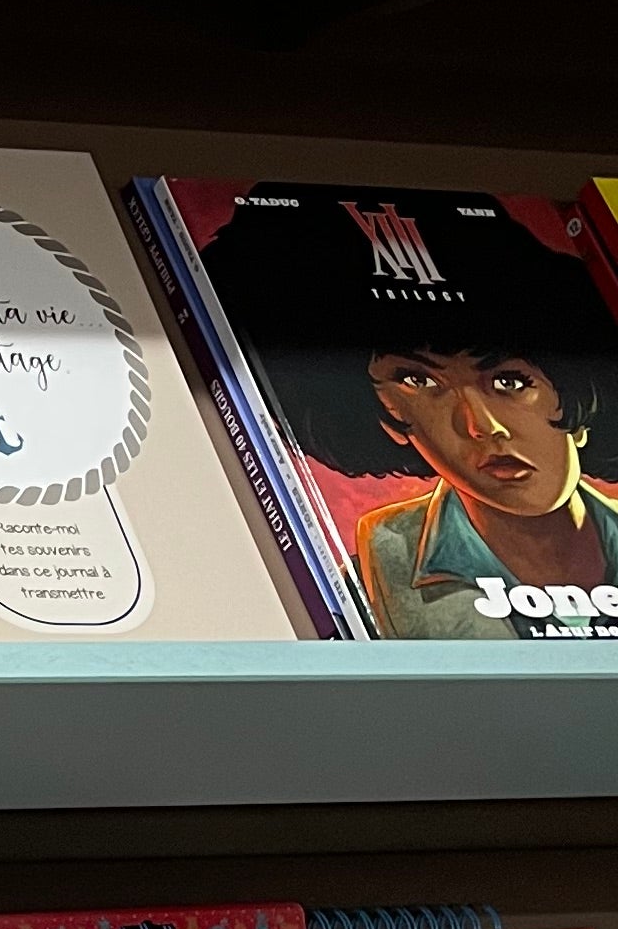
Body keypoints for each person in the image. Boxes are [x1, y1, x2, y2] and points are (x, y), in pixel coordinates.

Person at [193, 191, 618, 639]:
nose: (481, 426)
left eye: (510, 382)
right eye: (419, 381)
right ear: (386, 414)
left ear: (573, 389)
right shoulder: (364, 589)